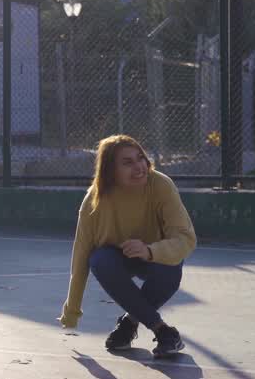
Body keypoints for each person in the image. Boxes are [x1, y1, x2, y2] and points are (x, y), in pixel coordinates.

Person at [58, 135, 197, 357]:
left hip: (156, 258)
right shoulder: (93, 202)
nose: (139, 167)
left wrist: (150, 250)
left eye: (140, 158)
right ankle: (163, 331)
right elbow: (81, 255)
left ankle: (128, 324)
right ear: (110, 170)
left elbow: (185, 239)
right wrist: (72, 310)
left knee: (171, 265)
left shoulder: (161, 185)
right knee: (99, 260)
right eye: (127, 162)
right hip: (118, 259)